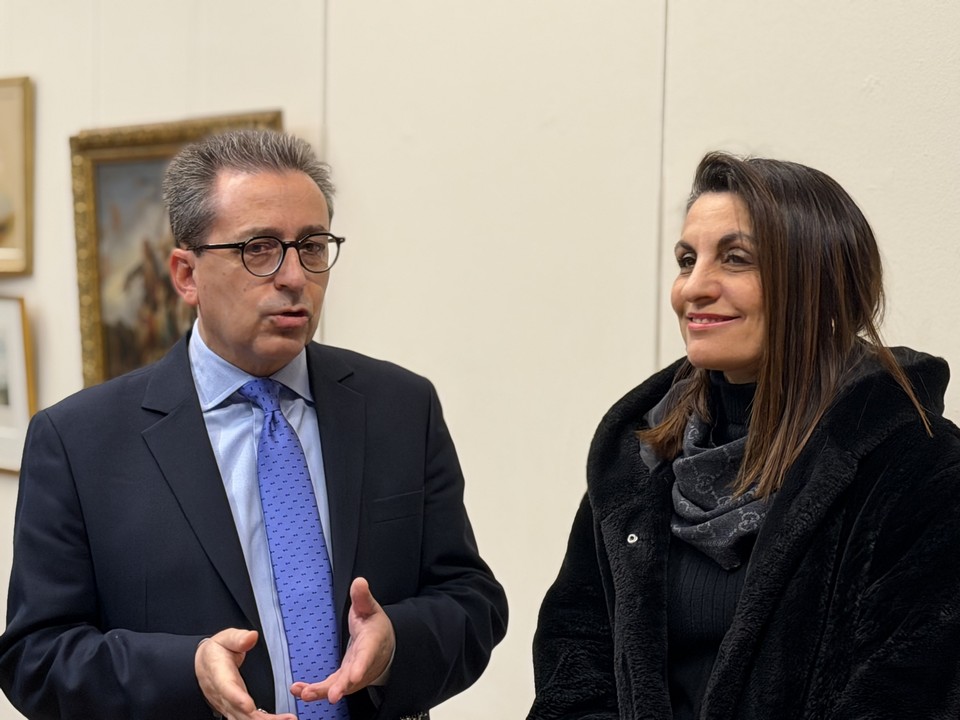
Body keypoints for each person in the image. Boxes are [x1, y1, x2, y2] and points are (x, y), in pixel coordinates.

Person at [0, 128, 508, 720]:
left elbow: (471, 601)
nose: (294, 276)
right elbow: (36, 658)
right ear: (186, 275)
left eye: (312, 246)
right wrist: (186, 671)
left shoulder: (401, 407)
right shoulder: (79, 441)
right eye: (259, 249)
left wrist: (396, 642)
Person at [527, 151, 960, 719]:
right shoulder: (639, 458)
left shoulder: (917, 468)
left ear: (819, 281)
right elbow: (575, 651)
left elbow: (912, 687)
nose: (693, 288)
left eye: (735, 259)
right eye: (687, 260)